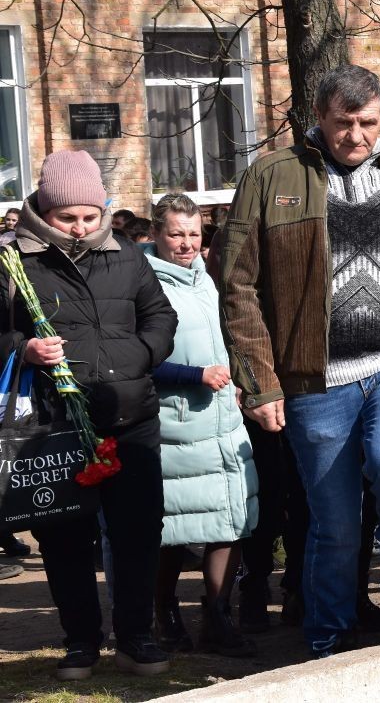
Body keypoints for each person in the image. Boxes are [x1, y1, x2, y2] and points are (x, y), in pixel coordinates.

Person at [218, 64, 380, 658]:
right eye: (344, 122)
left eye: (368, 122)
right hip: (313, 379)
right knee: (335, 523)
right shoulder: (271, 176)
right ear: (318, 117)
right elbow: (237, 284)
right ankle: (329, 637)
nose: (356, 135)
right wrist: (259, 383)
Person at [0, 150, 178, 679]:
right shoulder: (14, 261)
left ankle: (136, 637)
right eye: (67, 217)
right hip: (54, 424)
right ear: (44, 211)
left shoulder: (127, 254)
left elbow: (159, 316)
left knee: (137, 532)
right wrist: (24, 348)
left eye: (90, 215)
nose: (80, 228)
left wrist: (140, 356)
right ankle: (80, 641)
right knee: (63, 538)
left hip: (130, 416)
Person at [144, 194, 259, 657]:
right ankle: (165, 614)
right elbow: (137, 359)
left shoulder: (205, 279)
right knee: (173, 527)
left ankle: (218, 616)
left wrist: (238, 381)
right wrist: (194, 375)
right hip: (175, 422)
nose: (186, 243)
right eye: (176, 234)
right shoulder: (144, 283)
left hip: (222, 419)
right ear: (156, 233)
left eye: (193, 234)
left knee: (229, 519)